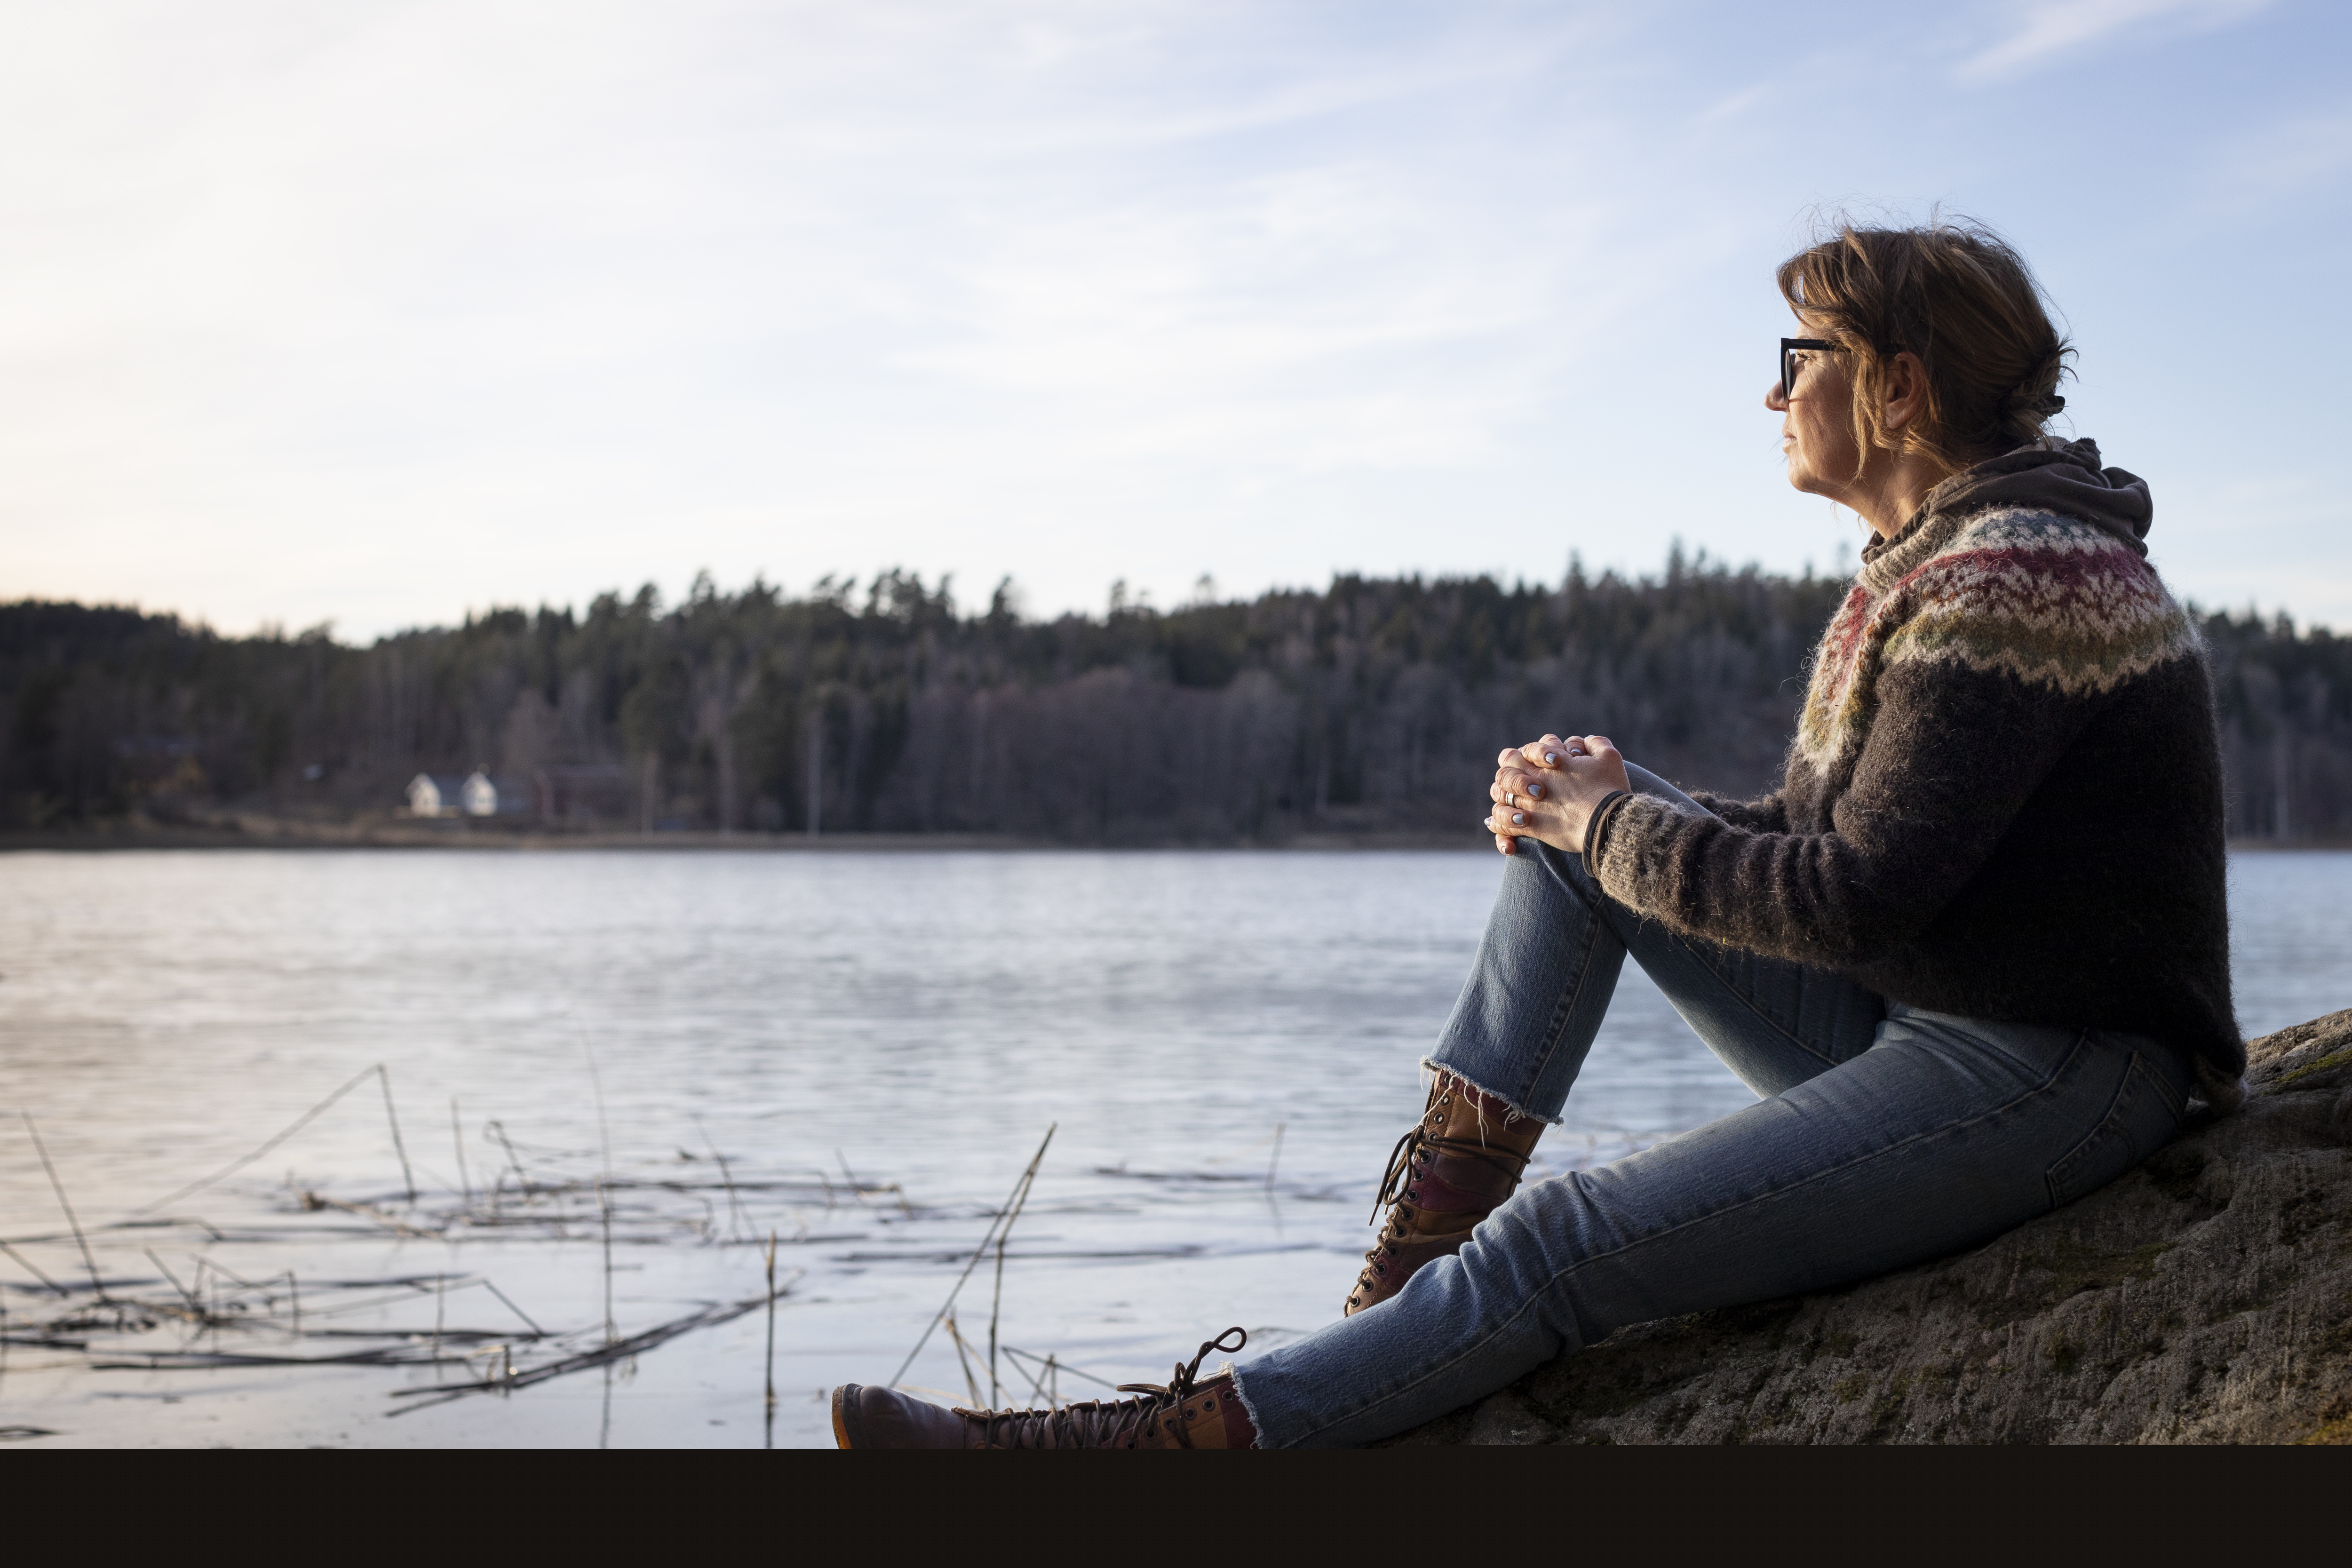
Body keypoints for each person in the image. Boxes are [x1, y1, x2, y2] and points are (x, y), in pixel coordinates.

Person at [829, 218, 2241, 1449]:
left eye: (1799, 352)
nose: (1771, 385)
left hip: (2055, 1070)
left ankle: (1164, 1446)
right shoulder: (1944, 559)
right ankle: (1399, 1292)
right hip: (1940, 1016)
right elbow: (1833, 842)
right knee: (1578, 837)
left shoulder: (2016, 578)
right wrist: (1605, 805)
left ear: (1896, 384)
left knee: (1563, 1243)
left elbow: (1856, 894)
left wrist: (1620, 818)